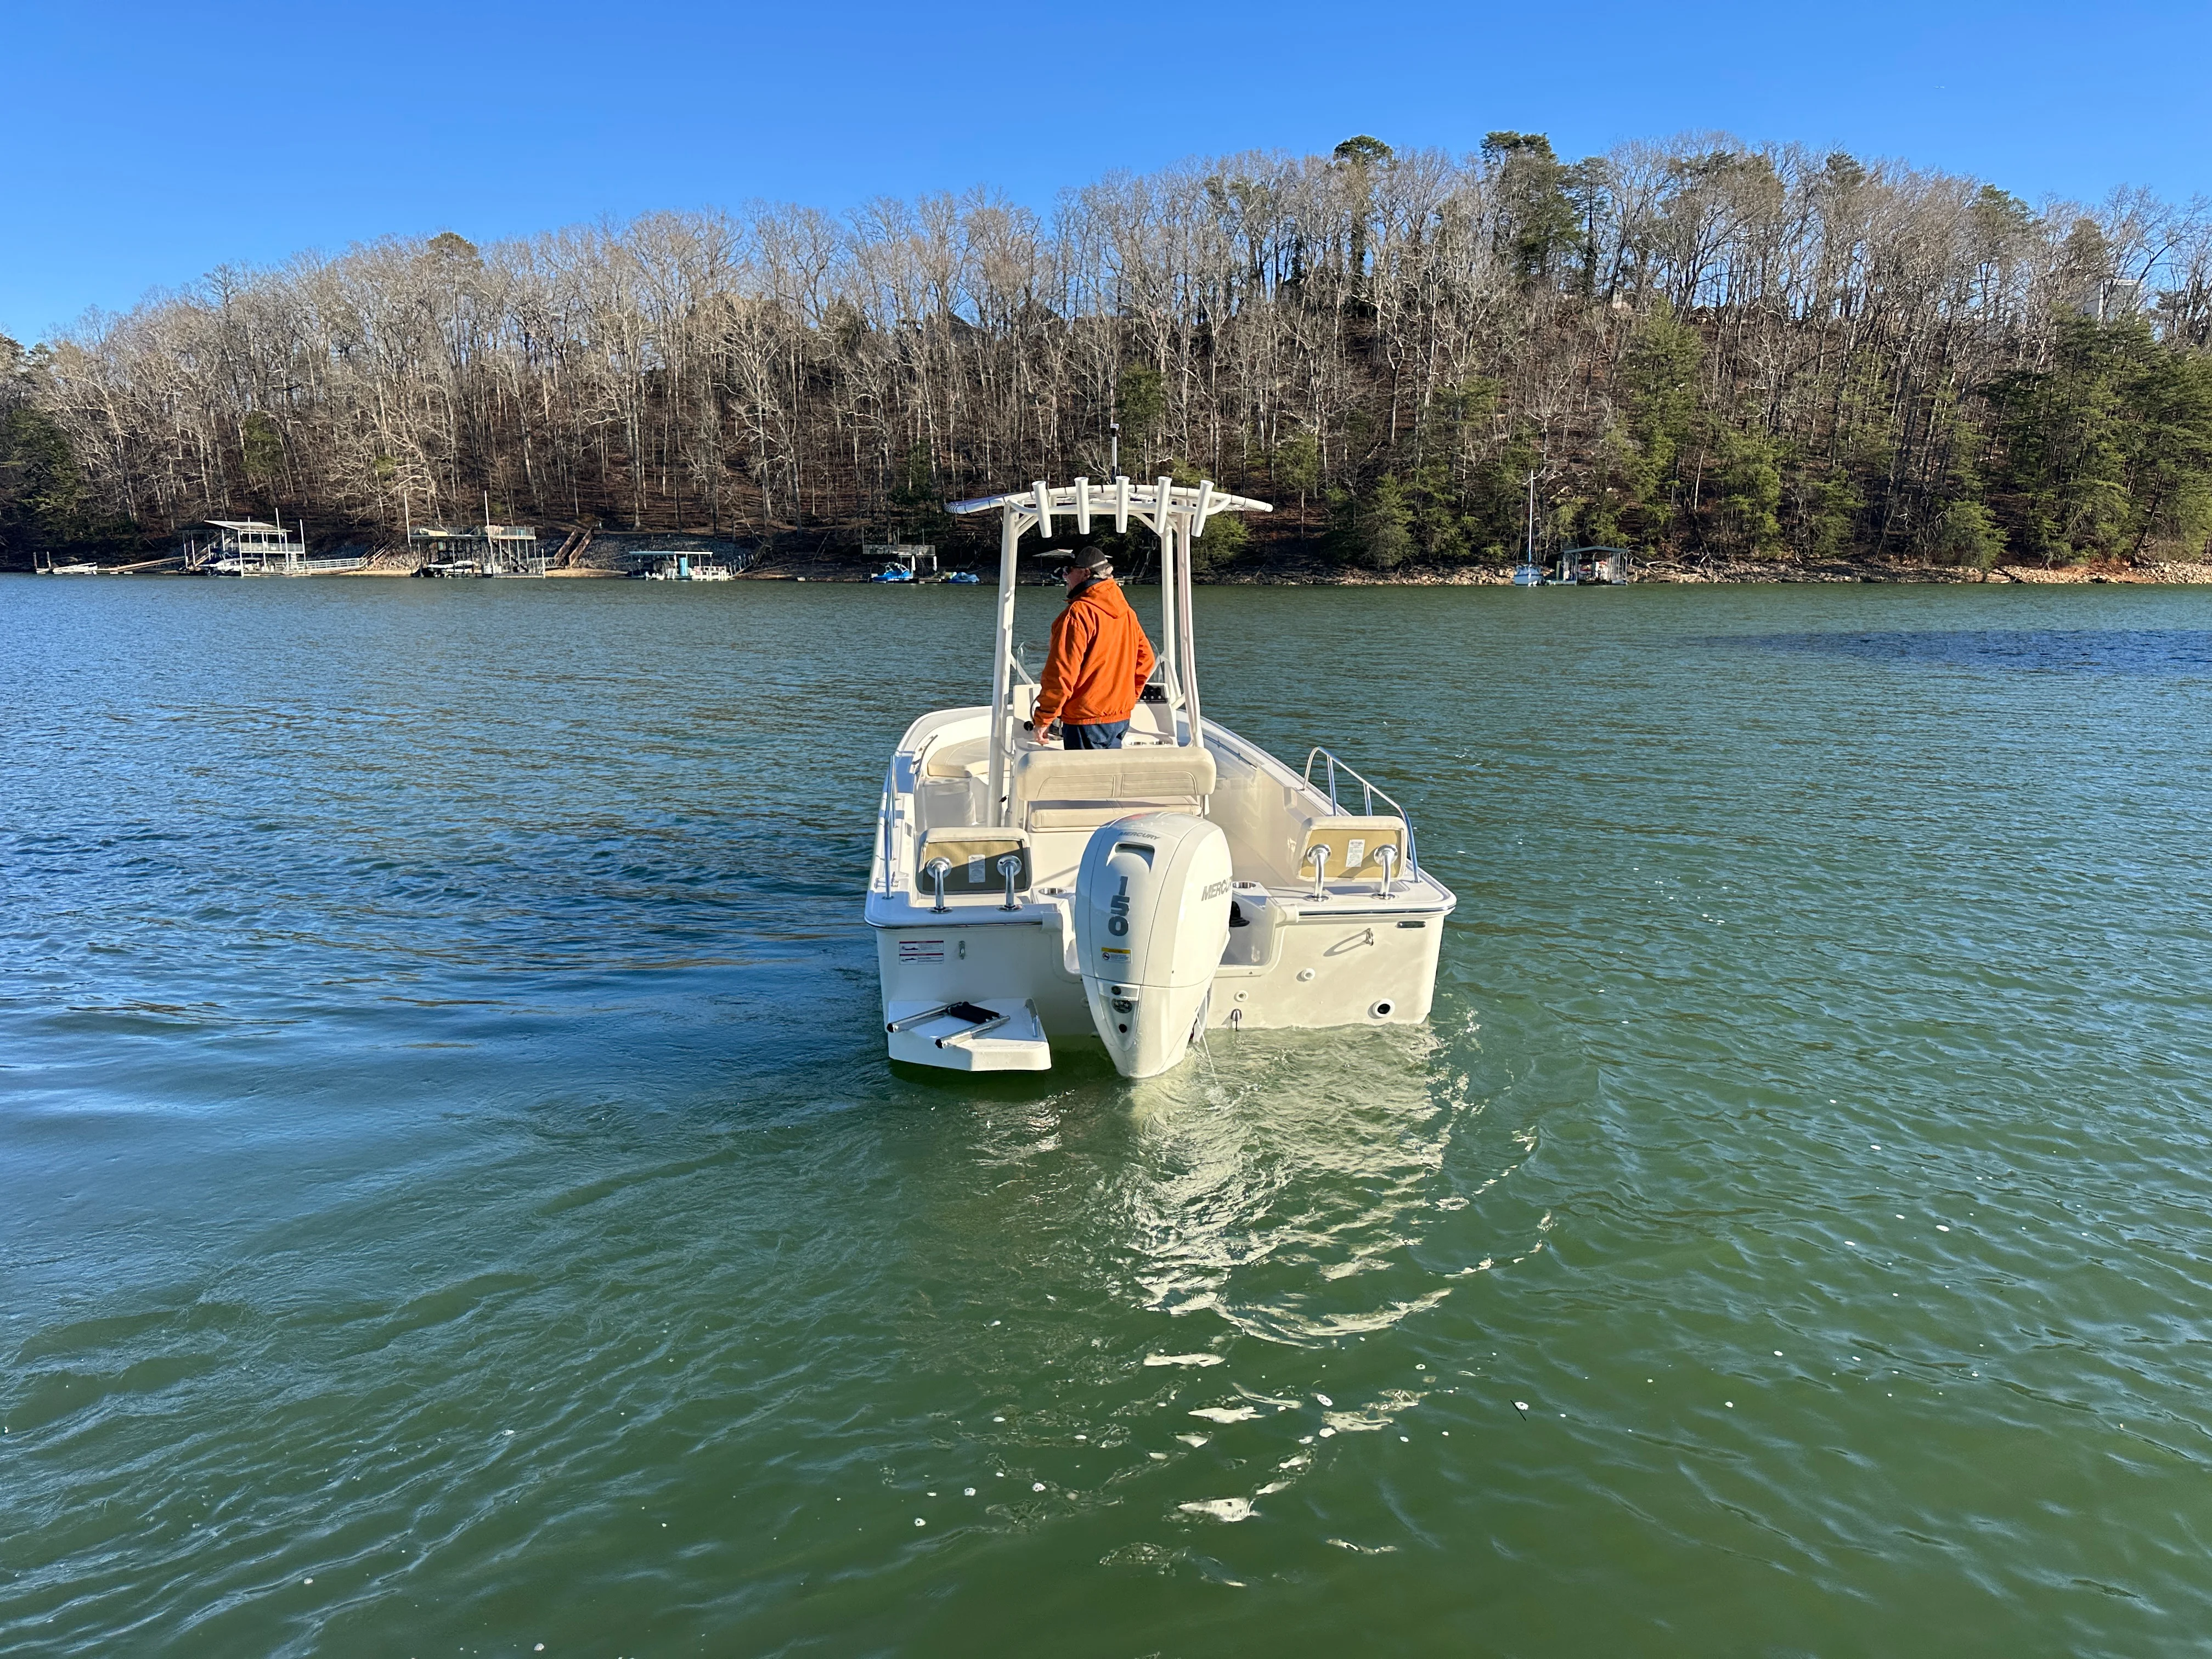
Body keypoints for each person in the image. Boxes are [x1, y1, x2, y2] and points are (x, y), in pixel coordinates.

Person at [1028, 547, 1156, 750]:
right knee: (1107, 778)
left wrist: (1044, 718)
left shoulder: (1078, 614)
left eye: (1068, 570)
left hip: (1085, 720)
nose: (1064, 575)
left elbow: (1062, 673)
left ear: (1086, 573)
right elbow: (1146, 659)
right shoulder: (1127, 613)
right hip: (1119, 718)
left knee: (1085, 781)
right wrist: (1128, 697)